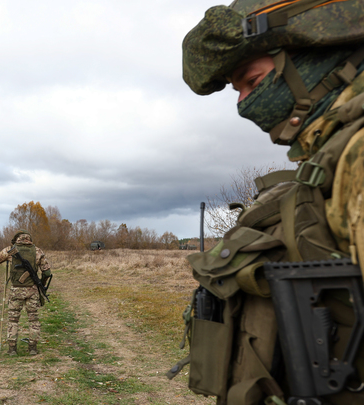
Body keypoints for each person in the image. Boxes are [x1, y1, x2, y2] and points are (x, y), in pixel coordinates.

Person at [176, 1, 364, 404]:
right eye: (237, 90)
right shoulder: (328, 161)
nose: (243, 103)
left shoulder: (356, 155)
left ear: (313, 55)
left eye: (251, 80)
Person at [0, 230, 51, 356]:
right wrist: (41, 284)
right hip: (32, 290)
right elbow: (47, 273)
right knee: (33, 319)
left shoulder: (10, 250)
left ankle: (12, 349)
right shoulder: (37, 251)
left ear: (16, 239)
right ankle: (33, 348)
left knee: (13, 320)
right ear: (29, 239)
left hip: (15, 291)